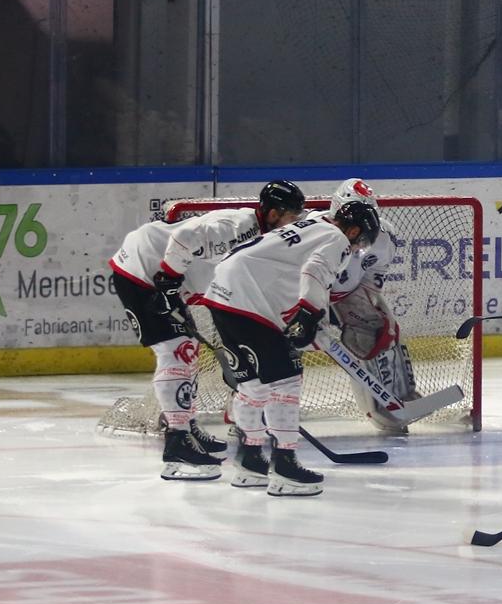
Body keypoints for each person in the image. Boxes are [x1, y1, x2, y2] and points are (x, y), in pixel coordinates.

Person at [108, 180, 306, 480]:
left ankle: (185, 428)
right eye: (292, 215)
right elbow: (185, 236)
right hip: (141, 269)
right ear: (275, 213)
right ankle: (176, 441)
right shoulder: (239, 225)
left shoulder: (264, 241)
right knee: (176, 351)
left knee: (187, 351)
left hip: (159, 275)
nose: (294, 222)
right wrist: (168, 281)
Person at [198, 199, 382, 497]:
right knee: (286, 380)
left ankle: (251, 461)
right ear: (354, 231)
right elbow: (314, 272)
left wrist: (309, 318)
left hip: (223, 295)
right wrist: (310, 316)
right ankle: (285, 466)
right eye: (360, 242)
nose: (358, 249)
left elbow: (287, 274)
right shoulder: (337, 239)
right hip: (248, 301)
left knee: (253, 385)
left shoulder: (314, 225)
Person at [323, 178, 415, 434]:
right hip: (301, 297)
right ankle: (251, 408)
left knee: (383, 331)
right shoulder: (313, 230)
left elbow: (374, 273)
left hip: (346, 295)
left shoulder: (382, 235)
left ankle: (389, 404)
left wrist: (364, 307)